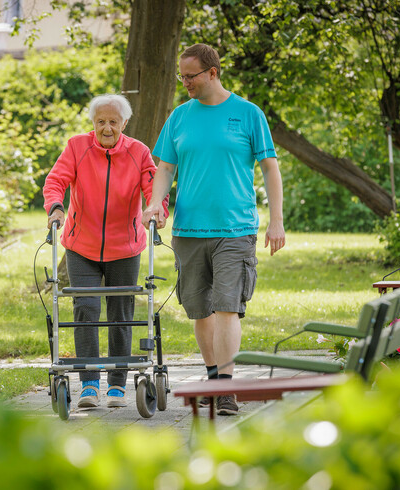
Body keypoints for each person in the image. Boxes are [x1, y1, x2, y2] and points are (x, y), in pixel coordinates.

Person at [142, 43, 285, 415]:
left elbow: (270, 168)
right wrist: (155, 202)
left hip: (235, 228)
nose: (185, 82)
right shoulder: (179, 117)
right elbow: (166, 169)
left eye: (191, 76)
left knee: (227, 308)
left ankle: (226, 387)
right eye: (181, 76)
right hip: (189, 230)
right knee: (200, 310)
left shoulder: (248, 114)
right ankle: (212, 376)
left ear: (213, 72)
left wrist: (276, 220)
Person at [43, 94, 169, 409]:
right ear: (93, 123)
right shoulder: (77, 147)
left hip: (125, 246)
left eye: (113, 122)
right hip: (81, 245)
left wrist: (155, 210)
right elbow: (56, 181)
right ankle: (88, 384)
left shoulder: (139, 152)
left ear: (124, 123)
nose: (107, 128)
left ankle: (116, 385)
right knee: (85, 309)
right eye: (101, 122)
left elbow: (154, 188)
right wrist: (56, 207)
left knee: (120, 314)